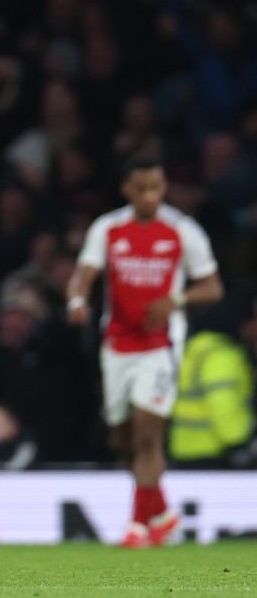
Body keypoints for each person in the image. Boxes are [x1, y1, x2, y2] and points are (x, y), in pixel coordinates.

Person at [66, 155, 223, 547]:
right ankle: (164, 514)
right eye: (143, 189)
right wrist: (76, 303)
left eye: (157, 188)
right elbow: (83, 275)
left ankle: (138, 527)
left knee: (148, 434)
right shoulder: (109, 228)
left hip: (160, 344)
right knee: (122, 438)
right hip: (117, 344)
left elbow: (213, 287)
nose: (151, 196)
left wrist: (178, 299)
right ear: (127, 190)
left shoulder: (182, 231)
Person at [169, 302, 254, 468]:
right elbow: (223, 403)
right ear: (239, 322)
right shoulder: (221, 355)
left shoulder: (193, 349)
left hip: (183, 447)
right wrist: (238, 443)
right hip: (213, 452)